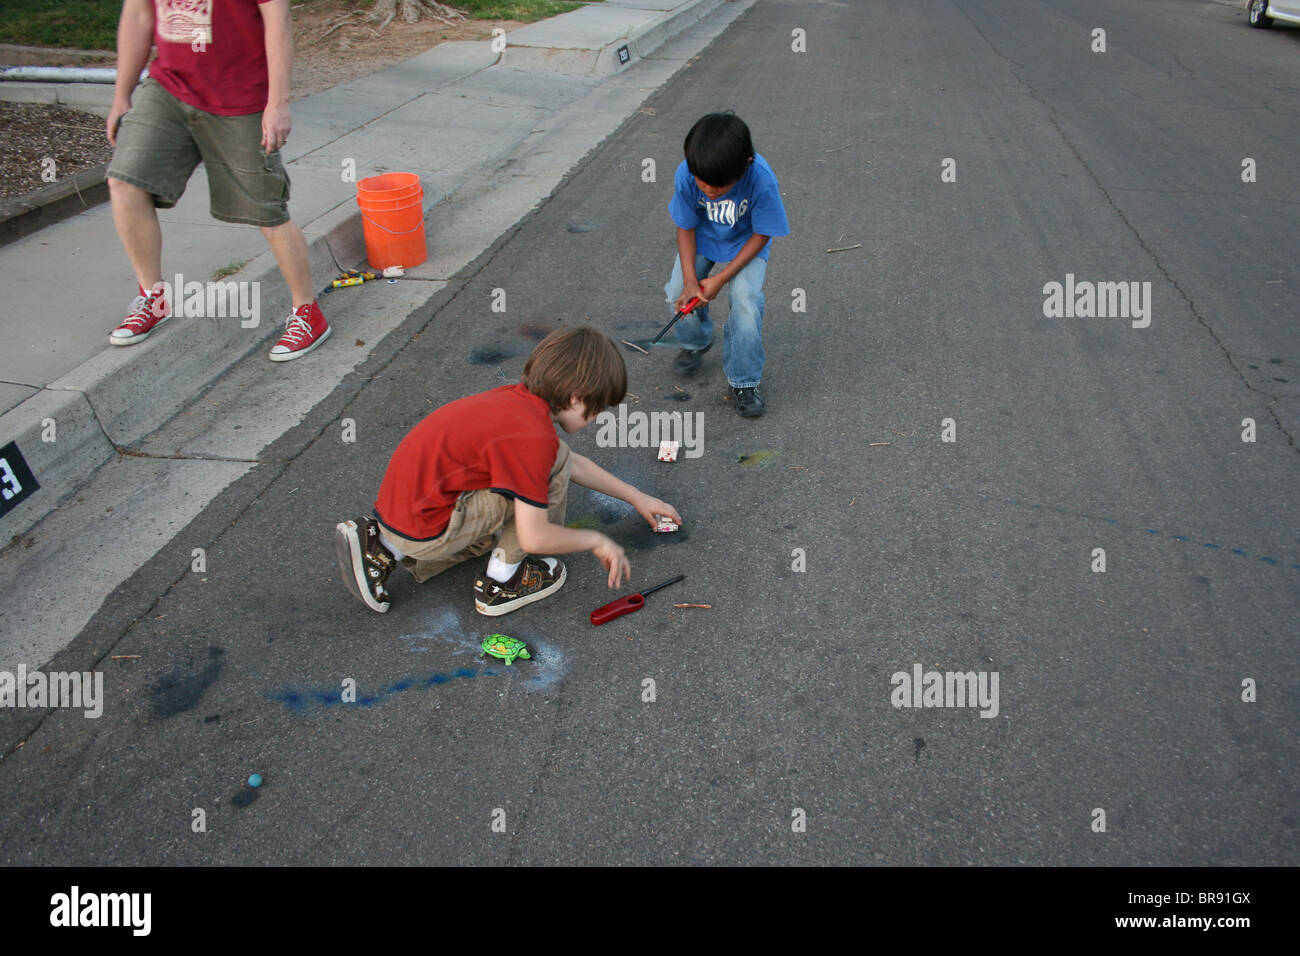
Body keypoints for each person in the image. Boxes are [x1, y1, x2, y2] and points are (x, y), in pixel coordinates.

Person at [335, 327, 682, 615]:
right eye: (599, 408)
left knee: (553, 460)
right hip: (428, 530)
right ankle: (502, 582)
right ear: (577, 398)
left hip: (400, 514)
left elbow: (571, 460)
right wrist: (598, 541)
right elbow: (535, 536)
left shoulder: (515, 402)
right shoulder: (534, 439)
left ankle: (381, 549)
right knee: (547, 474)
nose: (598, 418)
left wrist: (637, 497)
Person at [103, 0, 330, 360]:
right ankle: (152, 296)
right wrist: (121, 95)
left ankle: (307, 314)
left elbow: (277, 19)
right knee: (125, 181)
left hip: (239, 95)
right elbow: (139, 14)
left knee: (267, 211)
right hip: (168, 86)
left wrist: (278, 103)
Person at [665, 111, 790, 417]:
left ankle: (744, 380)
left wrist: (721, 279)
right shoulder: (687, 172)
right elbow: (685, 226)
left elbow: (762, 233)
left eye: (718, 188)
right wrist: (692, 279)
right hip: (703, 238)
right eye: (702, 183)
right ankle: (695, 343)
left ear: (745, 165)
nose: (707, 189)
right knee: (678, 290)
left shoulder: (761, 179)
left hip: (747, 242)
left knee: (746, 300)